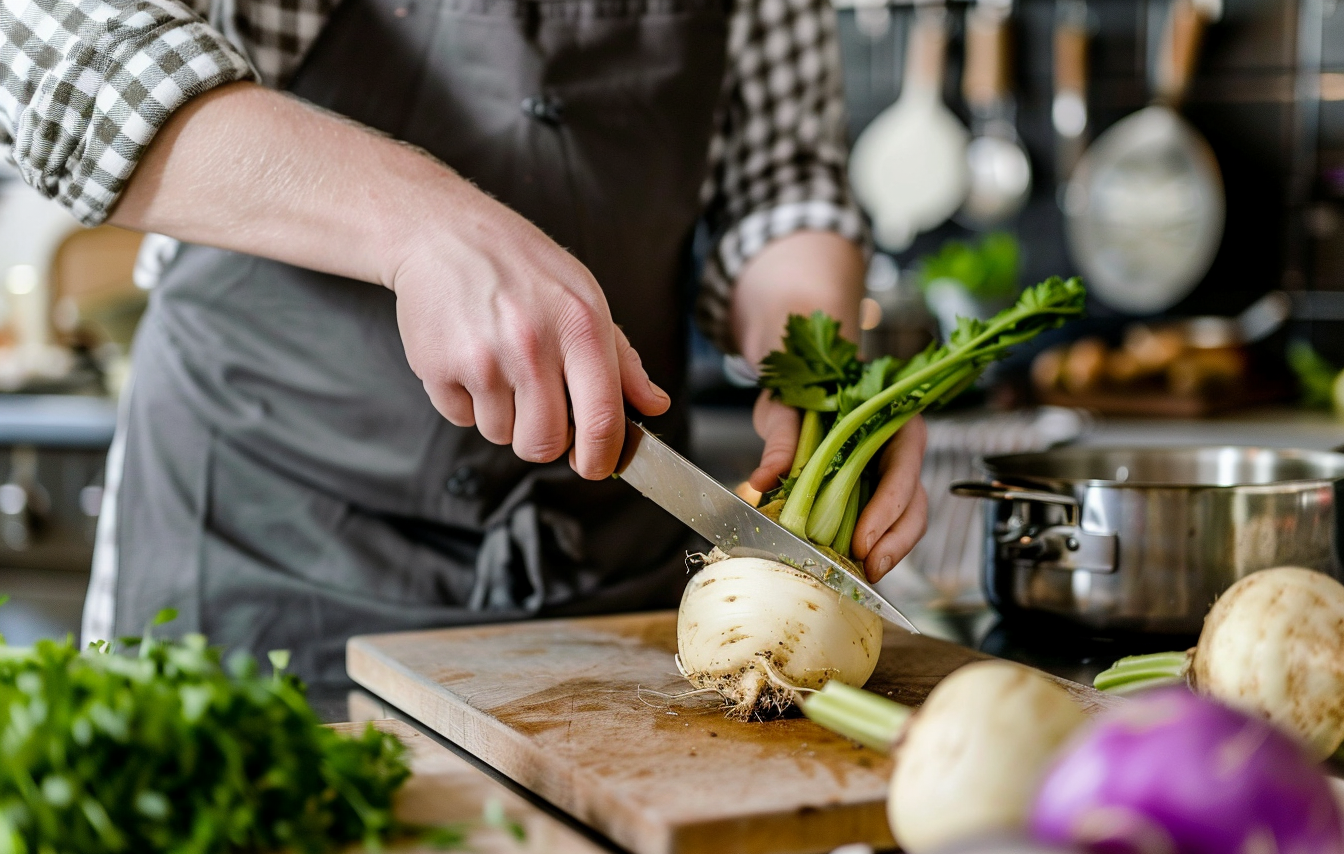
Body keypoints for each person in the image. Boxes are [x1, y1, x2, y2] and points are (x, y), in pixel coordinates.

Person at [0, 0, 928, 684]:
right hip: (259, 546)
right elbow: (53, 46)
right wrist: (422, 226)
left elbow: (780, 185)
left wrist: (821, 365)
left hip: (609, 592)